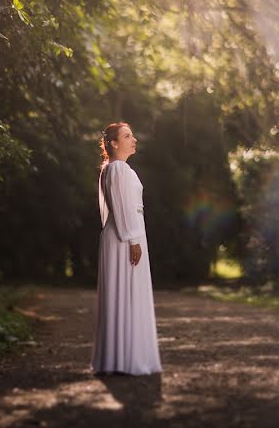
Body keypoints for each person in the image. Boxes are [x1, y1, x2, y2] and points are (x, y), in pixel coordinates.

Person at [91, 122, 163, 375]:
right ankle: (123, 360)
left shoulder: (116, 168)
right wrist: (133, 239)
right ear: (113, 143)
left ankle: (123, 358)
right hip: (125, 238)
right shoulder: (118, 168)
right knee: (126, 294)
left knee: (129, 295)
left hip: (128, 234)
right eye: (127, 136)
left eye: (133, 134)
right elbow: (121, 208)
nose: (134, 139)